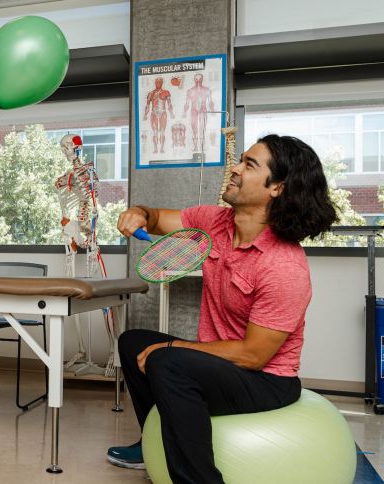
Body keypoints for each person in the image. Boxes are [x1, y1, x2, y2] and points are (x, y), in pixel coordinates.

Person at [107, 135, 338, 483]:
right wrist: (139, 213)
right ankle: (152, 441)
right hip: (216, 362)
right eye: (240, 160)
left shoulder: (283, 266)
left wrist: (173, 347)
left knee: (166, 360)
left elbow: (253, 356)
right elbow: (155, 219)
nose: (234, 168)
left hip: (265, 380)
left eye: (249, 164)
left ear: (276, 187)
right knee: (132, 341)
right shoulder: (213, 222)